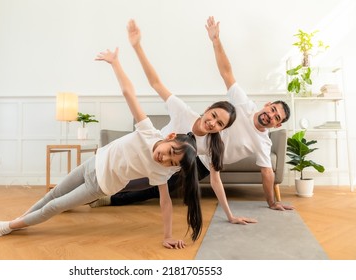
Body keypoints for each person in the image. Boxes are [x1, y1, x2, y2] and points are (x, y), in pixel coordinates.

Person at [0, 47, 202, 249]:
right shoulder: (148, 131)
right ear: (170, 137)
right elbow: (128, 92)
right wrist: (115, 63)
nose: (164, 159)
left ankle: (2, 228)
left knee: (55, 206)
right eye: (170, 152)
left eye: (171, 163)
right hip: (93, 163)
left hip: (101, 185)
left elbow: (165, 202)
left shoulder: (161, 172)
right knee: (52, 194)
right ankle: (14, 223)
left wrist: (168, 235)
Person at [92, 17, 294, 216]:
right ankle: (99, 181)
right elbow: (226, 72)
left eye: (277, 118)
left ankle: (109, 198)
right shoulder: (242, 104)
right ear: (267, 105)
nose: (271, 116)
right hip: (176, 145)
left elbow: (267, 173)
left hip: (204, 161)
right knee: (140, 169)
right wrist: (215, 41)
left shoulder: (262, 142)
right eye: (273, 110)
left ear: (277, 125)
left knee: (159, 185)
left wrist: (272, 202)